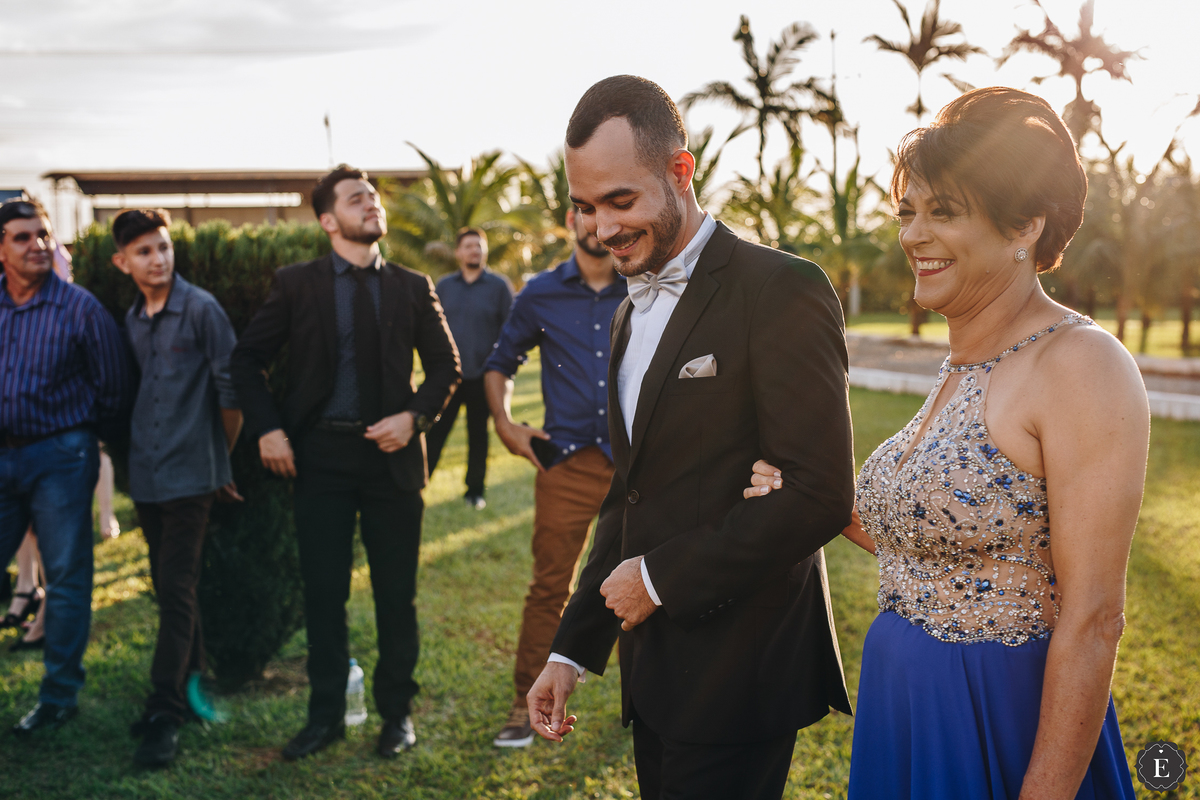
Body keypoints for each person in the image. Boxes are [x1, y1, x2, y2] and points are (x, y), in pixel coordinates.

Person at [748, 88, 1144, 799]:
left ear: (1025, 223)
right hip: (903, 700)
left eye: (943, 212)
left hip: (1000, 711)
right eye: (908, 211)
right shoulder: (958, 367)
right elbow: (942, 542)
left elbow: (1094, 618)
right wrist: (804, 493)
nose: (911, 235)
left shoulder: (1080, 364)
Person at [526, 76, 855, 799]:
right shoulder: (624, 316)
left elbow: (821, 494)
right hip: (656, 671)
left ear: (681, 172)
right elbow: (631, 496)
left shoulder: (781, 289)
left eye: (620, 201)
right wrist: (572, 651)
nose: (602, 229)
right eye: (584, 207)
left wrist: (657, 579)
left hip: (745, 667)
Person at [231, 165, 460, 761]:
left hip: (393, 462)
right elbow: (247, 360)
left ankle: (396, 715)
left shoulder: (413, 286)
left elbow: (445, 368)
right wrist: (270, 430)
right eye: (357, 199)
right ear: (328, 220)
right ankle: (325, 716)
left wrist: (414, 418)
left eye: (374, 197)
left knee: (395, 595)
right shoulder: (296, 285)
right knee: (324, 594)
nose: (372, 204)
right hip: (319, 461)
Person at [483, 208, 627, 747]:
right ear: (571, 219)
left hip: (636, 465)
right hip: (565, 461)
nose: (598, 225)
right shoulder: (539, 292)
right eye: (586, 212)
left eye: (608, 212)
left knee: (651, 583)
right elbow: (501, 361)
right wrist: (504, 422)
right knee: (549, 586)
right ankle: (526, 703)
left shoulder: (644, 283)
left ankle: (652, 701)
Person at [111, 208, 244, 767]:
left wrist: (220, 464)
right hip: (147, 472)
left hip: (193, 475)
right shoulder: (133, 318)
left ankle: (164, 711)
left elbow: (232, 396)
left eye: (163, 247)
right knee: (171, 590)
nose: (158, 259)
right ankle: (194, 681)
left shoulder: (203, 309)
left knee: (177, 588)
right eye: (143, 252)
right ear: (122, 262)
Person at [0, 198, 132, 735]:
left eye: (44, 236)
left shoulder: (80, 308)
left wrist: (79, 439)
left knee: (68, 577)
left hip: (61, 456)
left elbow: (115, 387)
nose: (38, 246)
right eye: (22, 237)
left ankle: (58, 696)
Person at [426, 228, 513, 509]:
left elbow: (510, 331)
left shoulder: (499, 287)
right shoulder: (444, 286)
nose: (474, 250)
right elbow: (431, 329)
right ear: (458, 253)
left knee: (478, 436)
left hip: (483, 376)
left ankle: (474, 492)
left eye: (479, 246)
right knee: (435, 433)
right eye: (468, 246)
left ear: (484, 251)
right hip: (448, 376)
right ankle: (418, 484)